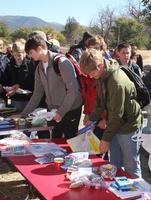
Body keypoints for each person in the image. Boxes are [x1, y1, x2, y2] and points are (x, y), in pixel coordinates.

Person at [80, 48, 142, 178]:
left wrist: (106, 139)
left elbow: (117, 114)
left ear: (101, 65)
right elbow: (99, 101)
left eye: (92, 73)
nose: (90, 77)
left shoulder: (116, 82)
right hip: (115, 124)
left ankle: (138, 196)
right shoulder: (101, 75)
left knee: (131, 167)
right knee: (114, 165)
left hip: (128, 126)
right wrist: (92, 119)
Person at [21, 34, 82, 139]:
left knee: (70, 143)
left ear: (39, 49)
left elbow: (73, 91)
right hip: (53, 112)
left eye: (31, 52)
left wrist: (60, 112)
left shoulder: (62, 63)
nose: (30, 56)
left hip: (71, 110)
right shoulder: (39, 69)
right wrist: (23, 115)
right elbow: (37, 94)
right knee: (56, 143)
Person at [1, 40, 36, 111]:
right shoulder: (9, 65)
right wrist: (7, 88)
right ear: (12, 53)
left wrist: (19, 86)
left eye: (19, 55)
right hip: (14, 99)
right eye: (15, 55)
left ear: (24, 53)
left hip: (28, 99)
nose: (17, 58)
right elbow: (5, 80)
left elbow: (33, 81)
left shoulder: (31, 65)